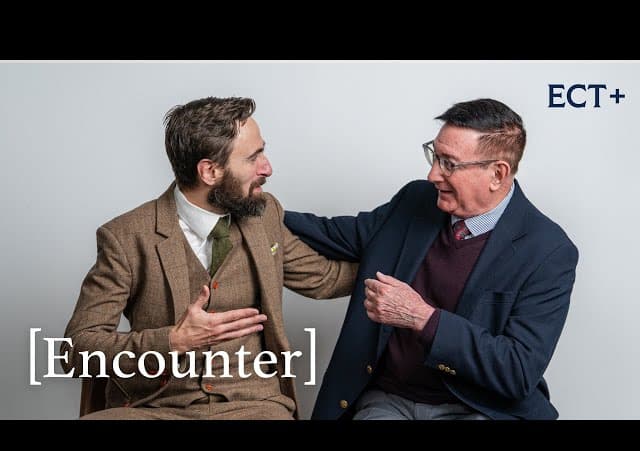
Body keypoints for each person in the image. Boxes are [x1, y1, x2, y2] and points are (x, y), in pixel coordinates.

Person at [61, 96, 357, 420]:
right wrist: (172, 341)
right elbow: (75, 349)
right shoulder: (126, 237)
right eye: (253, 157)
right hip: (154, 408)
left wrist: (400, 258)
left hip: (254, 405)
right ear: (210, 171)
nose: (267, 168)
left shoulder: (264, 216)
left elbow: (326, 279)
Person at [285, 98, 579, 420]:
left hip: (478, 408)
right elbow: (334, 234)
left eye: (449, 164)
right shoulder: (415, 201)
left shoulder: (548, 251)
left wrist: (422, 318)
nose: (432, 175)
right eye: (434, 156)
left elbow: (517, 371)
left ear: (497, 173)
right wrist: (261, 209)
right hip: (389, 400)